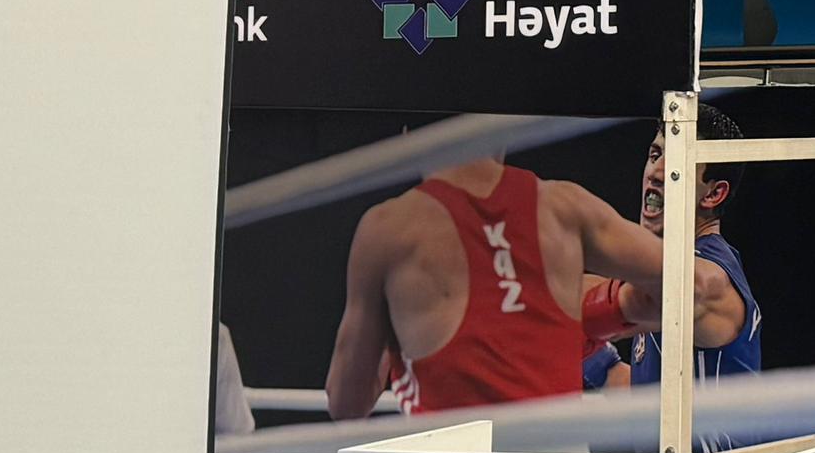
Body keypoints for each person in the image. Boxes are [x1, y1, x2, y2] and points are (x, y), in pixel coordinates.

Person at [323, 147, 693, 419]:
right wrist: (604, 314)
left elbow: (346, 404)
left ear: (410, 136)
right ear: (501, 137)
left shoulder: (390, 229)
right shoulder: (564, 206)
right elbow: (693, 284)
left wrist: (392, 332)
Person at [586, 101, 757, 389]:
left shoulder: (710, 279)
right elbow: (651, 396)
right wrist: (598, 364)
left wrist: (534, 296)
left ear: (713, 194)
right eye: (655, 155)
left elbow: (639, 295)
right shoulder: (664, 273)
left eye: (675, 161)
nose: (656, 172)